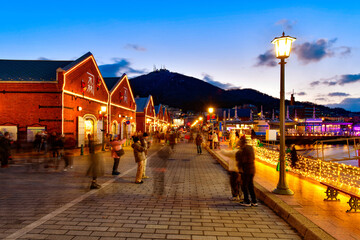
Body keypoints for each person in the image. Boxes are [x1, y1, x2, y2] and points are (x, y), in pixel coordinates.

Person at [236, 136, 257, 207]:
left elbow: (242, 160)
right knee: (250, 185)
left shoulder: (243, 150)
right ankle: (254, 201)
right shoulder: (250, 148)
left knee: (244, 185)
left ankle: (247, 200)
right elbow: (253, 158)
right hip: (252, 169)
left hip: (246, 170)